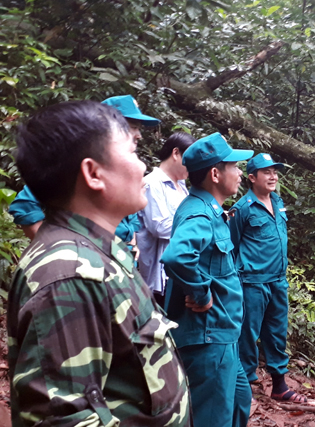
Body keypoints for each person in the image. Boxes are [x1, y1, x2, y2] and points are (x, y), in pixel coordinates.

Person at [8, 100, 190, 426]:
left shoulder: (100, 252)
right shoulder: (70, 275)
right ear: (94, 173)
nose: (142, 168)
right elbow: (65, 418)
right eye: (133, 152)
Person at [161, 132, 253, 427]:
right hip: (208, 337)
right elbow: (177, 256)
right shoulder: (200, 214)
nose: (240, 173)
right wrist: (201, 293)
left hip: (224, 335)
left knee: (239, 399)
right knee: (212, 418)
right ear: (215, 173)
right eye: (234, 167)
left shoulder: (209, 210)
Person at [8, 94, 160, 246]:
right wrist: (56, 246)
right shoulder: (72, 165)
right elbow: (24, 207)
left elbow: (130, 220)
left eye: (139, 128)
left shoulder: (122, 174)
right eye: (132, 127)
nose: (138, 135)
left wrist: (130, 242)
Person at [229, 153, 306, 403]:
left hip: (277, 281)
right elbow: (231, 247)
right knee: (247, 334)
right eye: (266, 172)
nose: (273, 176)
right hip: (251, 281)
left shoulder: (278, 201)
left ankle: (280, 385)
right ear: (252, 177)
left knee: (276, 333)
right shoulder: (242, 208)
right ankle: (246, 387)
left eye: (275, 171)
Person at [138, 132, 195, 306]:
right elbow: (160, 227)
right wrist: (199, 224)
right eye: (189, 159)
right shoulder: (153, 183)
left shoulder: (183, 187)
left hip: (178, 271)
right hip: (158, 277)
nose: (193, 166)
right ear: (176, 153)